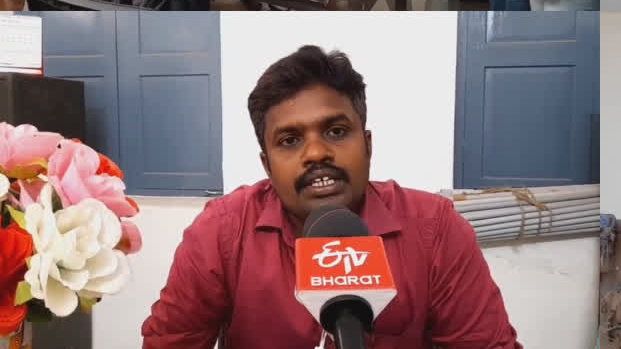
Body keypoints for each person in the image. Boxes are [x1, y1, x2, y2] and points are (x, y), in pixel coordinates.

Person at [142, 46, 523, 349]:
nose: (316, 153)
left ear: (368, 145)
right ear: (267, 165)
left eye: (337, 132)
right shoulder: (222, 231)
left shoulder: (435, 228)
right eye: (290, 141)